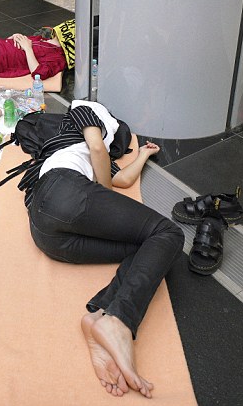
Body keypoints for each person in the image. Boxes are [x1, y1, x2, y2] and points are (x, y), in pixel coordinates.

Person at [17, 100, 183, 398]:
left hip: (47, 234)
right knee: (167, 233)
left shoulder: (92, 153)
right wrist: (105, 194)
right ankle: (120, 322)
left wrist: (144, 154)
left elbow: (122, 178)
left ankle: (102, 315)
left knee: (148, 245)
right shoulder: (85, 112)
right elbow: (97, 149)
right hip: (64, 191)